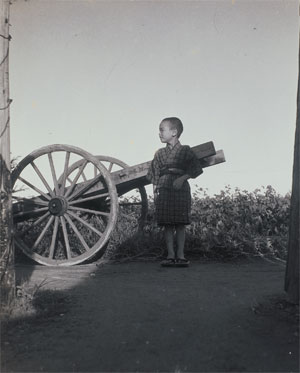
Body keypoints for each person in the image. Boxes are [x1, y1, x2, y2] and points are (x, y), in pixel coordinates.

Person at [146, 117, 203, 267]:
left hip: (180, 188)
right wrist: (155, 192)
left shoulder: (185, 150)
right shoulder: (159, 153)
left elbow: (195, 168)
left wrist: (183, 178)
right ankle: (171, 255)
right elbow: (155, 174)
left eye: (161, 129)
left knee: (180, 222)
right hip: (164, 189)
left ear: (174, 132)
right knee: (167, 223)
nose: (159, 133)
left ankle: (181, 255)